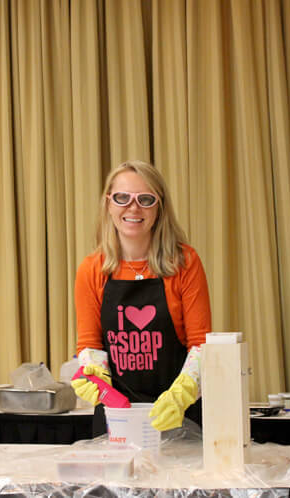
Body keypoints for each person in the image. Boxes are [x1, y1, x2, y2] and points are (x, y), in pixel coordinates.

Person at [71, 160, 211, 434]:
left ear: (160, 208)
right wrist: (95, 377)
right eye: (122, 198)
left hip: (178, 416)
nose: (133, 208)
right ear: (108, 204)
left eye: (145, 199)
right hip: (116, 418)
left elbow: (201, 345)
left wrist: (181, 396)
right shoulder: (91, 269)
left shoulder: (185, 262)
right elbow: (90, 345)